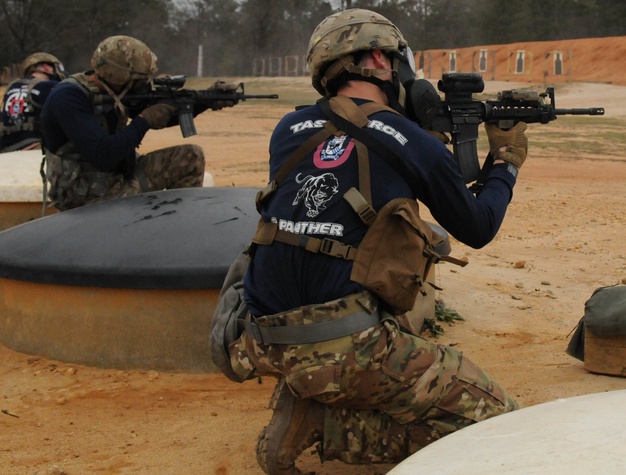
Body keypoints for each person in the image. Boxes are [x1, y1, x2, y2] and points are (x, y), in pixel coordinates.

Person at [229, 9, 525, 474]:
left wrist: (420, 140)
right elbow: (478, 226)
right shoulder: (416, 144)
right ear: (376, 59)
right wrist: (505, 162)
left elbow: (349, 163)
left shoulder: (287, 130)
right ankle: (322, 426)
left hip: (260, 335)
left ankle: (311, 390)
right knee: (497, 423)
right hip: (346, 343)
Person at [40, 35, 232, 211]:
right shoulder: (68, 98)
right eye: (140, 81)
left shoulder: (115, 91)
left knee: (191, 157)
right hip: (85, 197)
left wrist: (207, 101)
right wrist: (144, 121)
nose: (144, 86)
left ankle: (177, 228)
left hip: (120, 178)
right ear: (120, 77)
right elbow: (103, 155)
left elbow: (163, 112)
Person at [1, 52, 65, 152]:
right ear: (46, 67)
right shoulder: (48, 86)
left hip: (7, 145)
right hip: (34, 144)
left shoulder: (12, 86)